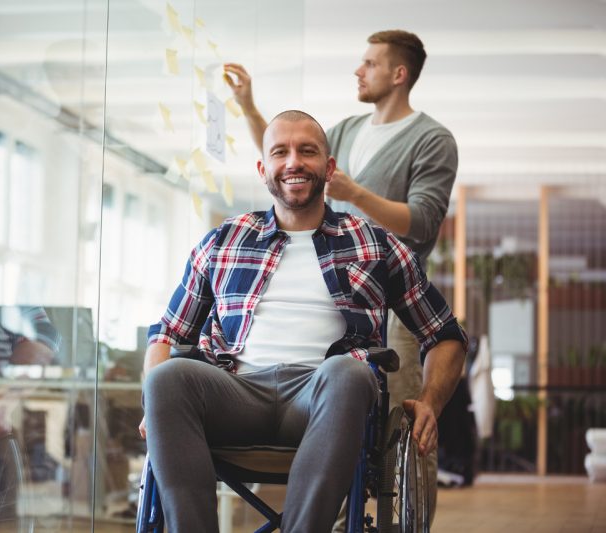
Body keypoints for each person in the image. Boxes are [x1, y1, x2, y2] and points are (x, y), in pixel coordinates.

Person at [139, 110, 466, 532]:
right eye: (281, 152)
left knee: (348, 373)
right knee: (165, 380)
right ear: (264, 170)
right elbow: (167, 332)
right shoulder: (224, 240)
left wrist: (431, 403)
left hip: (324, 395)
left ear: (329, 168)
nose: (293, 162)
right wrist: (155, 406)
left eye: (307, 151)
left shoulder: (373, 243)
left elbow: (444, 333)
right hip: (235, 389)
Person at [224, 30, 458, 521]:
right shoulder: (348, 128)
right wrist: (248, 107)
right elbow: (288, 159)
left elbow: (422, 222)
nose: (358, 70)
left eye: (369, 63)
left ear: (399, 74)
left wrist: (355, 196)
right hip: (322, 275)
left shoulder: (431, 140)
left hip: (387, 292)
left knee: (406, 423)